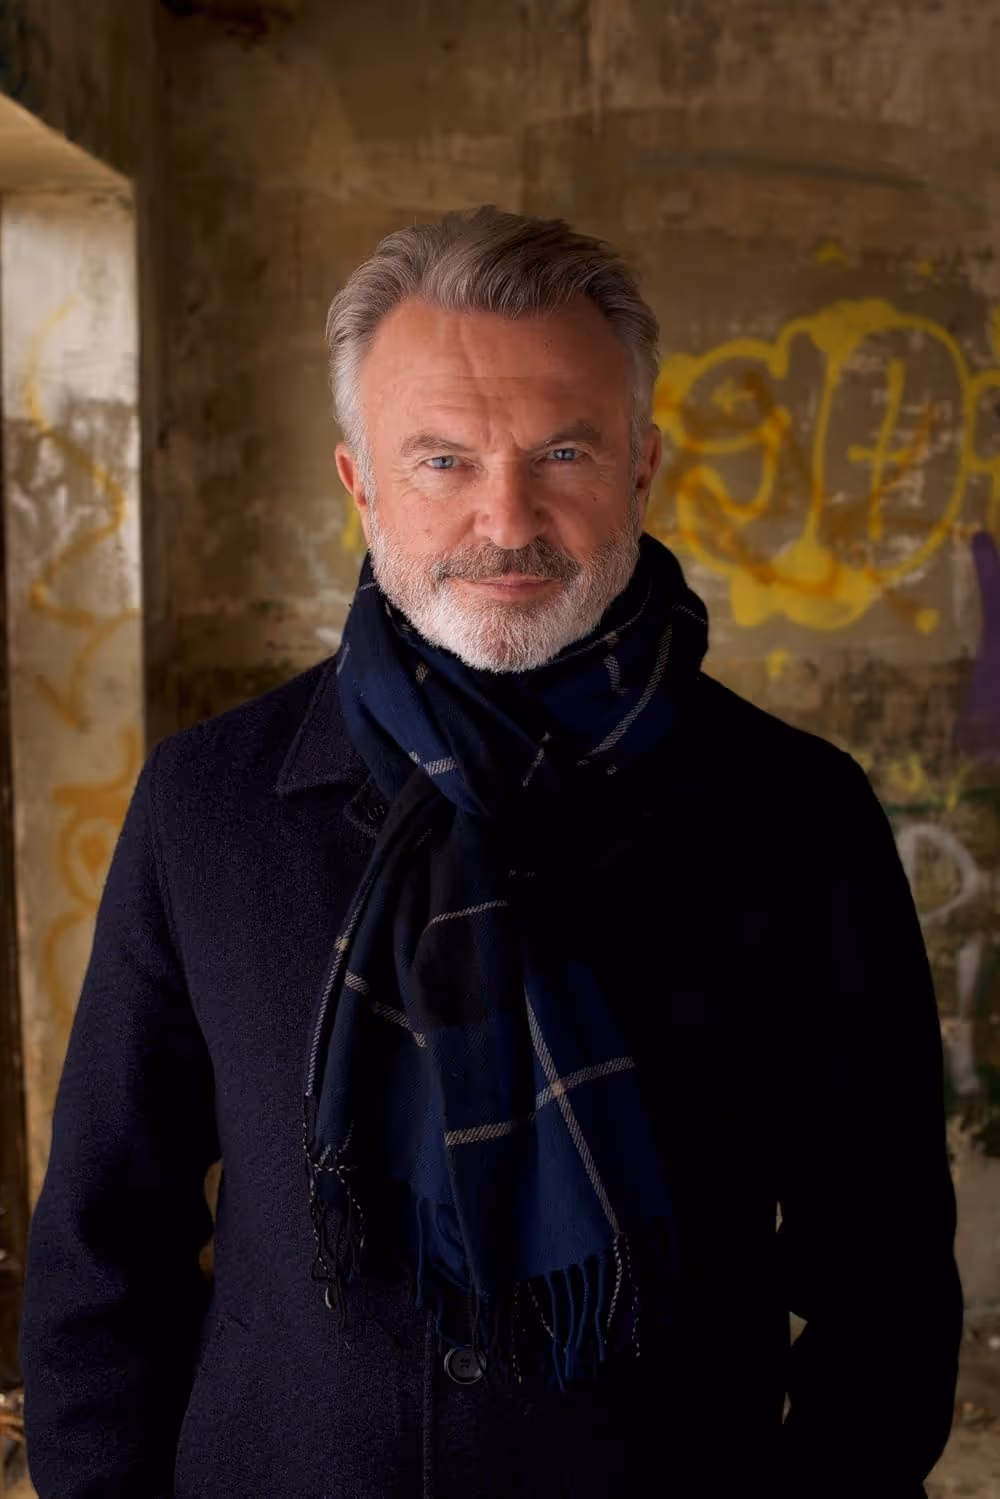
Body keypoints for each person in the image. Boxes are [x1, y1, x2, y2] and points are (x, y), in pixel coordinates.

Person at [19, 206, 962, 1499]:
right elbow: (105, 1236)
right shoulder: (208, 803)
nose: (505, 516)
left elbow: (886, 1271)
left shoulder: (796, 814)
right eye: (443, 460)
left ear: (642, 463)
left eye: (562, 448)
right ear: (359, 481)